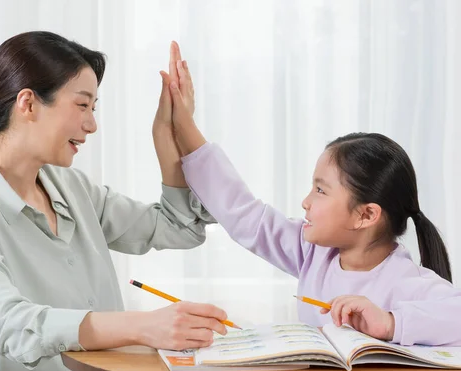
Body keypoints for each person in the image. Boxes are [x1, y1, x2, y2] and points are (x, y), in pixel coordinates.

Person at [0, 31, 229, 371]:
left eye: (94, 108)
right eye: (82, 105)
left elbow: (179, 227)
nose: (92, 124)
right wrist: (142, 326)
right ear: (28, 104)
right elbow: (9, 326)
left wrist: (170, 136)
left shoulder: (71, 189)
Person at [163, 59, 461, 347]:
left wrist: (390, 322)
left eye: (320, 190)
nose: (306, 202)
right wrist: (184, 125)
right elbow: (245, 215)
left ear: (366, 214)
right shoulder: (313, 254)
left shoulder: (409, 282)